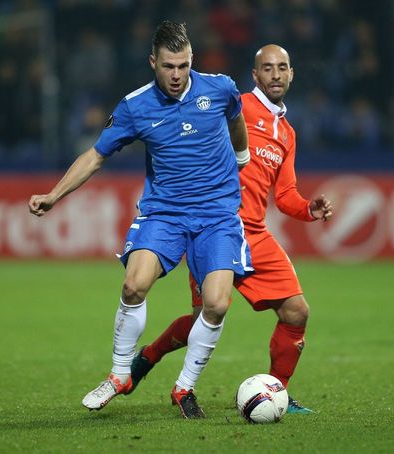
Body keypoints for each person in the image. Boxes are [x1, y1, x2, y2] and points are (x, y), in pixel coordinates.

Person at [28, 21, 253, 419]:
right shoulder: (136, 106)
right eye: (168, 66)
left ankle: (184, 387)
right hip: (164, 213)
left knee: (216, 304)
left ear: (191, 61)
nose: (176, 75)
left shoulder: (219, 88)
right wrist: (54, 194)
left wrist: (241, 158)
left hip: (217, 214)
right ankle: (119, 376)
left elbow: (236, 118)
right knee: (133, 285)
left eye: (183, 66)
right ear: (153, 62)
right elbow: (96, 155)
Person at [128, 44, 333, 414]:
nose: (275, 74)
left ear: (291, 74)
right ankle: (148, 358)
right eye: (267, 68)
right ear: (255, 76)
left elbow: (284, 195)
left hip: (254, 232)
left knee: (297, 312)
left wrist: (308, 209)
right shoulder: (231, 105)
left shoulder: (286, 133)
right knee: (202, 318)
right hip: (214, 225)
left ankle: (277, 392)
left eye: (282, 67)